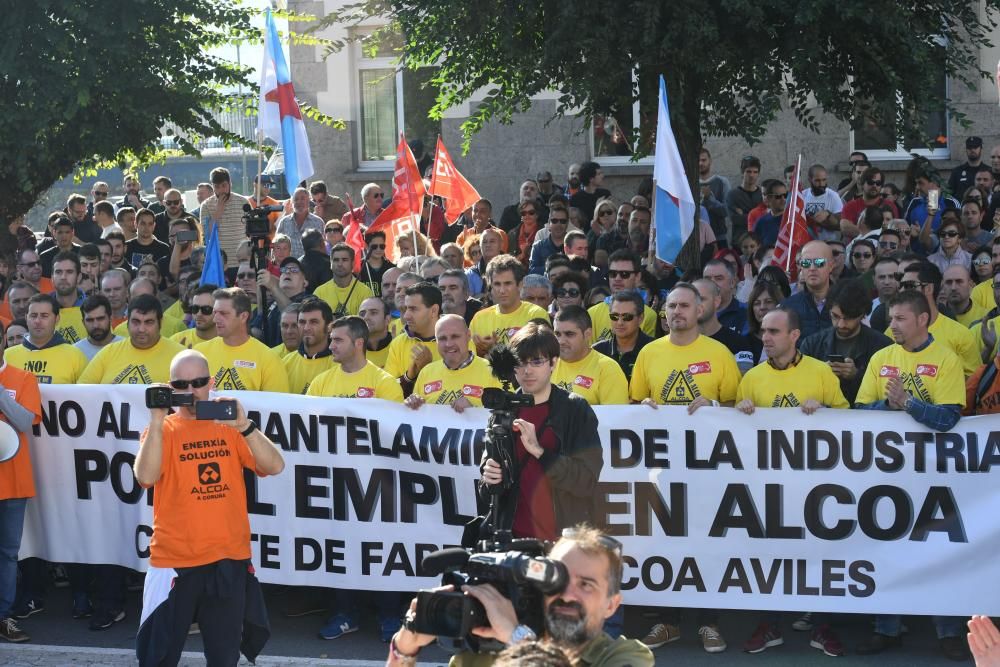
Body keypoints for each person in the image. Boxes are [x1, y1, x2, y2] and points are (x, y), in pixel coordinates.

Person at [133, 349, 284, 666]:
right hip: (174, 561)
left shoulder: (227, 425)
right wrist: (157, 420)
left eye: (198, 382)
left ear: (211, 383)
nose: (190, 391)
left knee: (224, 657)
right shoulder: (164, 429)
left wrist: (245, 426)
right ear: (171, 388)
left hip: (228, 557)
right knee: (158, 656)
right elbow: (145, 477)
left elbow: (275, 465)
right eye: (181, 384)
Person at [854, 290, 969, 660]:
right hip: (886, 472)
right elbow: (858, 412)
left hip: (934, 474)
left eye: (901, 319)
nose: (892, 326)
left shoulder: (946, 360)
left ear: (923, 320)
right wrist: (887, 405)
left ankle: (948, 632)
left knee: (940, 552)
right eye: (891, 319)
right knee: (886, 549)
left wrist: (909, 404)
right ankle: (886, 628)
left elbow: (950, 418)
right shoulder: (881, 357)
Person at [388, 525, 653, 667]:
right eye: (558, 578)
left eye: (586, 585)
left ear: (611, 605)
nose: (567, 594)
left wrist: (518, 639)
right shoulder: (484, 655)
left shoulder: (626, 657)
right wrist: (405, 647)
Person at [477, 322, 601, 542]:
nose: (527, 370)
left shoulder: (575, 409)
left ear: (553, 363)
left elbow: (586, 482)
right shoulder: (502, 409)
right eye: (520, 363)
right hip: (510, 540)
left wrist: (540, 452)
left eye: (536, 361)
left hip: (563, 542)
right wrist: (489, 479)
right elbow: (487, 491)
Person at [0, 318, 42, 644]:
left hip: (12, 481)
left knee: (7, 554)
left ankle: (3, 616)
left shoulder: (23, 378)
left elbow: (25, 421)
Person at [799, 279, 892, 404]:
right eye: (835, 316)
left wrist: (857, 375)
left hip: (866, 418)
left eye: (848, 318)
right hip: (822, 417)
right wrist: (822, 375)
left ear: (863, 314)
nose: (841, 324)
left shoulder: (883, 345)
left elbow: (887, 391)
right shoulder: (812, 343)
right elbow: (799, 384)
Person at [894, 261, 980, 376]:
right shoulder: (893, 332)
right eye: (901, 286)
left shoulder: (961, 335)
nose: (902, 291)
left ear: (929, 289)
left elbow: (972, 383)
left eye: (910, 286)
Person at [195, 288, 290, 392]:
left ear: (243, 316)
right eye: (215, 313)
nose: (215, 319)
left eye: (223, 313)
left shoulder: (269, 359)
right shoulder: (199, 353)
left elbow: (276, 405)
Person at [79, 295, 185, 384]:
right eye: (136, 321)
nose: (141, 329)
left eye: (149, 322)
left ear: (160, 323)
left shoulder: (180, 356)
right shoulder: (108, 353)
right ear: (127, 322)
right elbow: (81, 391)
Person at [405, 314, 501, 411]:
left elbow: (508, 414)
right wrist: (414, 405)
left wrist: (473, 411)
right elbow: (417, 419)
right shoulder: (426, 372)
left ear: (468, 336)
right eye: (442, 338)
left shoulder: (492, 371)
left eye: (455, 336)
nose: (449, 344)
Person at [306, 316, 402, 401]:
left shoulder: (385, 383)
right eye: (331, 340)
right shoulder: (320, 382)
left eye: (338, 340)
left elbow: (394, 419)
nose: (331, 346)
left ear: (359, 343)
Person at [470, 255, 550, 355]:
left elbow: (540, 357)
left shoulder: (536, 314)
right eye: (497, 284)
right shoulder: (479, 319)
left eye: (508, 283)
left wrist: (494, 349)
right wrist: (480, 350)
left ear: (520, 285)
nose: (502, 290)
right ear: (490, 285)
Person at [4, 294, 88, 385]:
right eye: (33, 315)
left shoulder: (75, 356)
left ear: (57, 319)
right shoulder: (6, 356)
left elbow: (87, 395)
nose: (37, 321)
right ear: (26, 318)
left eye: (44, 316)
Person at [551, 306, 628, 405]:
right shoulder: (546, 364)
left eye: (569, 334)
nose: (561, 341)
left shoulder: (608, 369)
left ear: (588, 334)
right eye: (557, 334)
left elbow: (615, 417)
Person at [384, 282, 445, 395]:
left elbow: (462, 384)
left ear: (434, 310)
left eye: (413, 309)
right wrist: (410, 376)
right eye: (406, 308)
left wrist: (429, 369)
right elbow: (387, 391)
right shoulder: (398, 343)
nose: (406, 315)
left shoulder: (457, 341)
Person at [588, 250, 657, 342]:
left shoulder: (648, 315)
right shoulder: (592, 313)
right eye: (613, 274)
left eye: (624, 274)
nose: (617, 278)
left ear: (637, 277)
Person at [692, 279, 755, 374]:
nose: (696, 305)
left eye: (701, 299)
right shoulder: (681, 341)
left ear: (716, 301)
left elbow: (743, 382)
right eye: (691, 300)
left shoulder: (738, 343)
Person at [592, 291, 653, 382]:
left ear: (640, 318)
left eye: (627, 317)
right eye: (614, 316)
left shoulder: (653, 350)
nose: (620, 322)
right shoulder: (596, 351)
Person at [780, 241, 834, 339]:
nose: (812, 268)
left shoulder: (847, 303)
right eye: (806, 263)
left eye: (819, 263)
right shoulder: (787, 307)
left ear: (831, 266)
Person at [199, 167, 251, 266]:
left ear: (230, 183)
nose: (221, 190)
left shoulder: (243, 202)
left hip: (242, 262)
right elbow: (207, 235)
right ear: (213, 187)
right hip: (220, 264)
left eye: (224, 185)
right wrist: (218, 212)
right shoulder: (206, 205)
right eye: (217, 187)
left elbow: (251, 232)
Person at [283, 298, 335, 394]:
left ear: (329, 327)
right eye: (302, 322)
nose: (306, 328)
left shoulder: (340, 364)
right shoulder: (286, 362)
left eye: (314, 322)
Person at [313, 244, 375, 318]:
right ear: (331, 263)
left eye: (344, 260)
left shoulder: (365, 292)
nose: (340, 264)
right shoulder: (319, 292)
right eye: (336, 260)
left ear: (352, 263)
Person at [275, 187, 325, 258]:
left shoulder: (318, 222)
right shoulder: (284, 222)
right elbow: (276, 244)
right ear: (292, 203)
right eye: (296, 199)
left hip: (311, 266)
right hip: (289, 266)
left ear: (308, 201)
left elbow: (323, 247)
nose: (299, 202)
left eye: (302, 198)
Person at [74, 294, 123, 361]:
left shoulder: (125, 347)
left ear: (110, 318)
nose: (95, 325)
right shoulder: (75, 352)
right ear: (83, 323)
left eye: (100, 319)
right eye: (90, 320)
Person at [170, 285, 219, 349]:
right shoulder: (176, 340)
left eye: (206, 309)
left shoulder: (230, 342)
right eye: (195, 308)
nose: (199, 314)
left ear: (219, 311)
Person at [568, 161, 612, 226]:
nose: (603, 176)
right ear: (591, 179)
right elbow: (582, 223)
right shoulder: (576, 199)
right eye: (599, 174)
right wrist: (597, 207)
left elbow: (611, 217)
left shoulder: (605, 194)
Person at [358, 297, 393, 368]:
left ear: (387, 319)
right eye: (362, 314)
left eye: (373, 313)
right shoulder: (352, 352)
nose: (366, 317)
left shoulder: (399, 347)